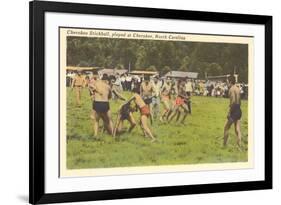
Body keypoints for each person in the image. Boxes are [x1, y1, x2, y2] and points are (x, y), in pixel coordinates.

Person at [223, 75, 242, 148]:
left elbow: (233, 101)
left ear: (230, 81)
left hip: (233, 109)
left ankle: (224, 145)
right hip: (238, 109)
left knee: (226, 127)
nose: (227, 83)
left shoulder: (231, 89)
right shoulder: (237, 88)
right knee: (237, 129)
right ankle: (239, 145)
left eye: (227, 81)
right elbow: (239, 101)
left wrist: (229, 112)